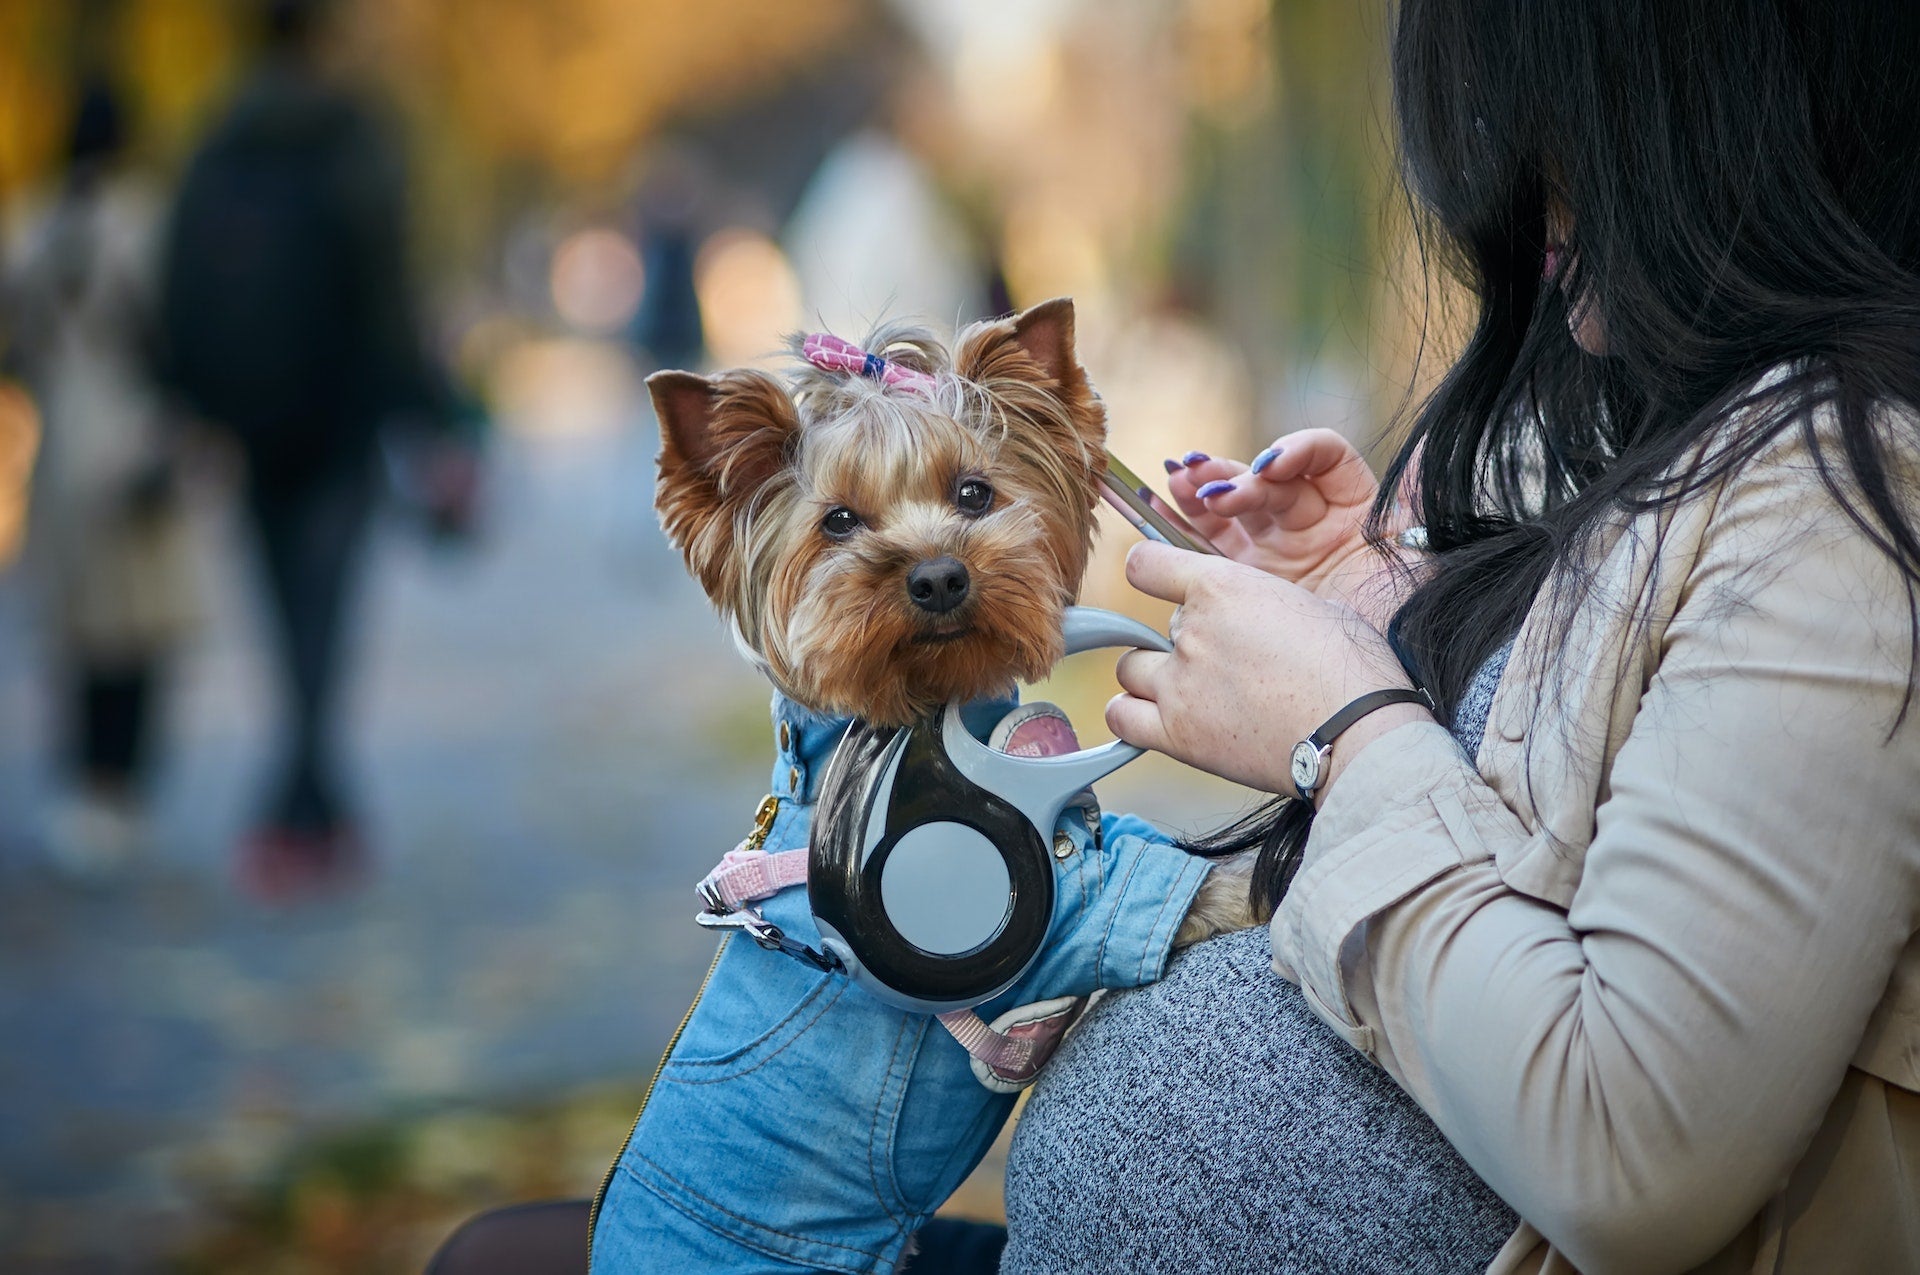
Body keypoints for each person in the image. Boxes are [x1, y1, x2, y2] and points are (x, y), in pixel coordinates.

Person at [1000, 1, 1920, 1272]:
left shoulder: (1853, 488)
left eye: (1540, 118)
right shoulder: (1735, 433)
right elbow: (1582, 792)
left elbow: (1626, 1150)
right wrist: (1389, 609)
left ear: (1721, 113)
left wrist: (1342, 732)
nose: (1507, 174)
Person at [159, 0, 454, 898]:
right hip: (341, 420)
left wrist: (196, 403)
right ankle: (302, 809)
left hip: (252, 425)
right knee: (323, 622)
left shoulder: (214, 144)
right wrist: (430, 409)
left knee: (287, 622)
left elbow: (177, 290)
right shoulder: (352, 135)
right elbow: (388, 288)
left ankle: (307, 811)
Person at [3, 81, 196, 882]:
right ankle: (127, 786)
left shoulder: (27, 227)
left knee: (78, 632)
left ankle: (87, 785)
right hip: (136, 439)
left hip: (60, 446)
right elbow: (179, 332)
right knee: (142, 630)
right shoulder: (152, 221)